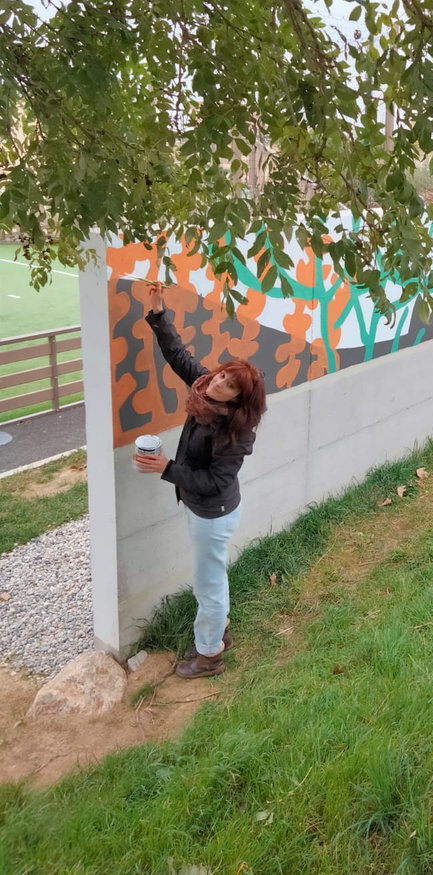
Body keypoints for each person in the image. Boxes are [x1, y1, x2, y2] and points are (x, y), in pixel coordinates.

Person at [136, 282, 267, 678]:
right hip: (203, 508)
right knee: (212, 579)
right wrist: (158, 313)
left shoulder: (235, 433)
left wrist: (165, 468)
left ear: (238, 401)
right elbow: (178, 355)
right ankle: (220, 632)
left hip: (213, 513)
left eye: (229, 385)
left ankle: (210, 656)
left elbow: (212, 482)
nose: (217, 381)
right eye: (222, 374)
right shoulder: (204, 390)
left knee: (208, 585)